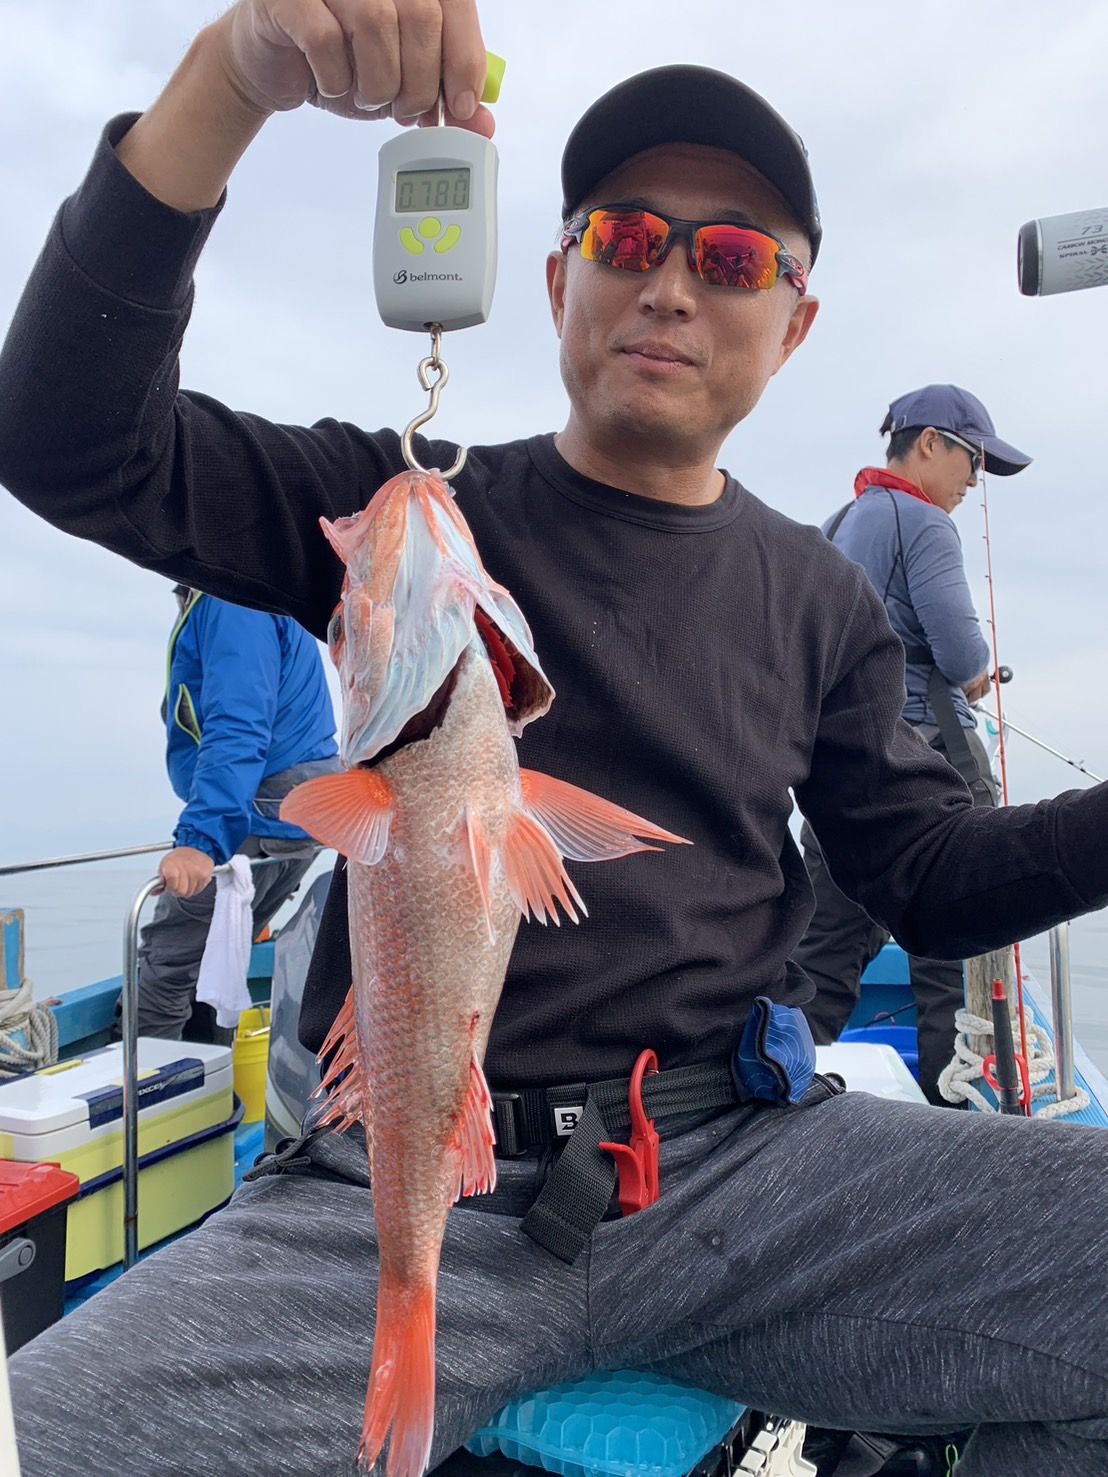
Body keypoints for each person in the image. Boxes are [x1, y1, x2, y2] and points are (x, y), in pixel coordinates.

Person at [1, 8, 1107, 1474]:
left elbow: (931, 880)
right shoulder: (405, 515)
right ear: (556, 278)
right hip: (391, 1193)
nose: (669, 283)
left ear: (794, 326)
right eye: (625, 237)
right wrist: (235, 73)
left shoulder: (822, 599)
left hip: (737, 1169)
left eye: (733, 259)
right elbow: (69, 435)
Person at [793, 387, 1029, 1104]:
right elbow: (959, 651)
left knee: (825, 944)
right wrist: (975, 673)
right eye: (974, 460)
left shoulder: (837, 524)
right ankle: (953, 1108)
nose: (975, 481)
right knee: (954, 937)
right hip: (930, 759)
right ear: (929, 443)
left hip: (840, 765)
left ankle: (779, 1096)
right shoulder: (924, 521)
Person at [127, 582, 340, 1044]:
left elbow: (238, 724)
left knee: (167, 966)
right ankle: (214, 1081)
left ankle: (146, 1086)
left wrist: (200, 842)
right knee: (221, 955)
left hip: (258, 814)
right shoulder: (256, 591)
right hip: (295, 817)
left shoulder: (231, 599)